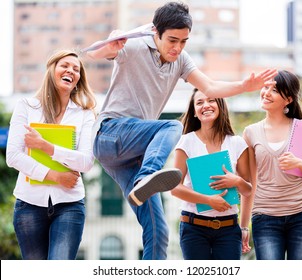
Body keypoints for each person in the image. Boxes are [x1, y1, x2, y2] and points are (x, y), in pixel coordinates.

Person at [87, 1, 277, 260]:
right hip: (109, 134)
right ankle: (146, 177)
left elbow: (209, 87)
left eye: (184, 42)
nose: (177, 48)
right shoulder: (133, 46)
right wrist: (107, 48)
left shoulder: (181, 61)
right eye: (172, 40)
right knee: (172, 126)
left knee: (158, 230)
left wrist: (244, 86)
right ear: (156, 33)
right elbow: (94, 54)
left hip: (130, 155)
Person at [6, 49, 96, 260]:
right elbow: (13, 156)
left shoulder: (85, 114)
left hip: (70, 206)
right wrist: (55, 176)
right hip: (28, 205)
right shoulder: (26, 107)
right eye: (65, 65)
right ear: (52, 69)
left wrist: (46, 147)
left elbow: (86, 162)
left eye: (76, 69)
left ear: (78, 80)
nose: (71, 71)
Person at [242, 70, 302, 260]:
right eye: (265, 87)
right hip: (265, 217)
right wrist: (244, 226)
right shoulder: (251, 132)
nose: (266, 93)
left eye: (274, 90)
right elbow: (249, 182)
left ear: (288, 99)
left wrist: (300, 164)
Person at [171, 88, 252, 260]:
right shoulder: (186, 141)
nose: (205, 105)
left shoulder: (237, 143)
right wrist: (208, 200)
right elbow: (175, 188)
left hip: (229, 229)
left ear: (221, 105)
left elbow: (248, 190)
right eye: (199, 102)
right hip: (193, 227)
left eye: (211, 100)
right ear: (194, 112)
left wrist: (236, 181)